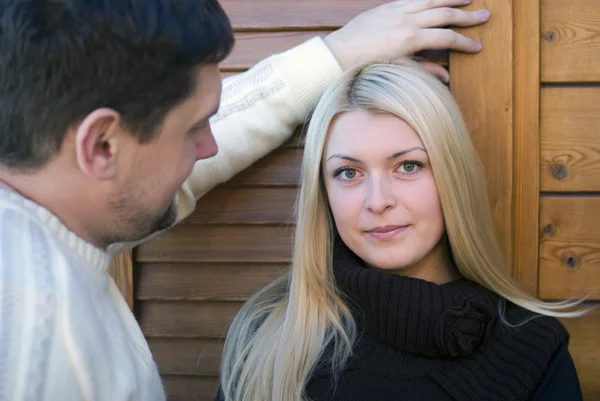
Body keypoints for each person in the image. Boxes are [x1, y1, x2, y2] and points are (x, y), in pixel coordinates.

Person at [0, 0, 491, 400]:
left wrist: (336, 54)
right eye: (194, 128)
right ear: (101, 147)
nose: (210, 148)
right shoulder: (41, 344)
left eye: (408, 165)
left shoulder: (52, 215)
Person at [216, 60, 589, 401]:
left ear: (452, 175)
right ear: (323, 193)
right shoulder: (267, 335)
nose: (377, 201)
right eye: (349, 173)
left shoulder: (531, 350)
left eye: (408, 166)